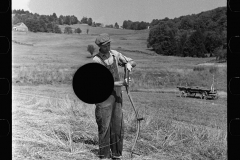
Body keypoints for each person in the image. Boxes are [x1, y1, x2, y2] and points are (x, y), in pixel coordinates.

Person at [92, 33, 136, 159]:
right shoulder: (96, 60)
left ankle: (117, 155)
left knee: (117, 125)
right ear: (100, 46)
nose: (109, 47)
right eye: (106, 45)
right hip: (103, 97)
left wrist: (129, 65)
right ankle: (104, 156)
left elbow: (133, 62)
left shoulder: (115, 55)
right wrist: (121, 83)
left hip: (116, 95)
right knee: (104, 126)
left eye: (109, 44)